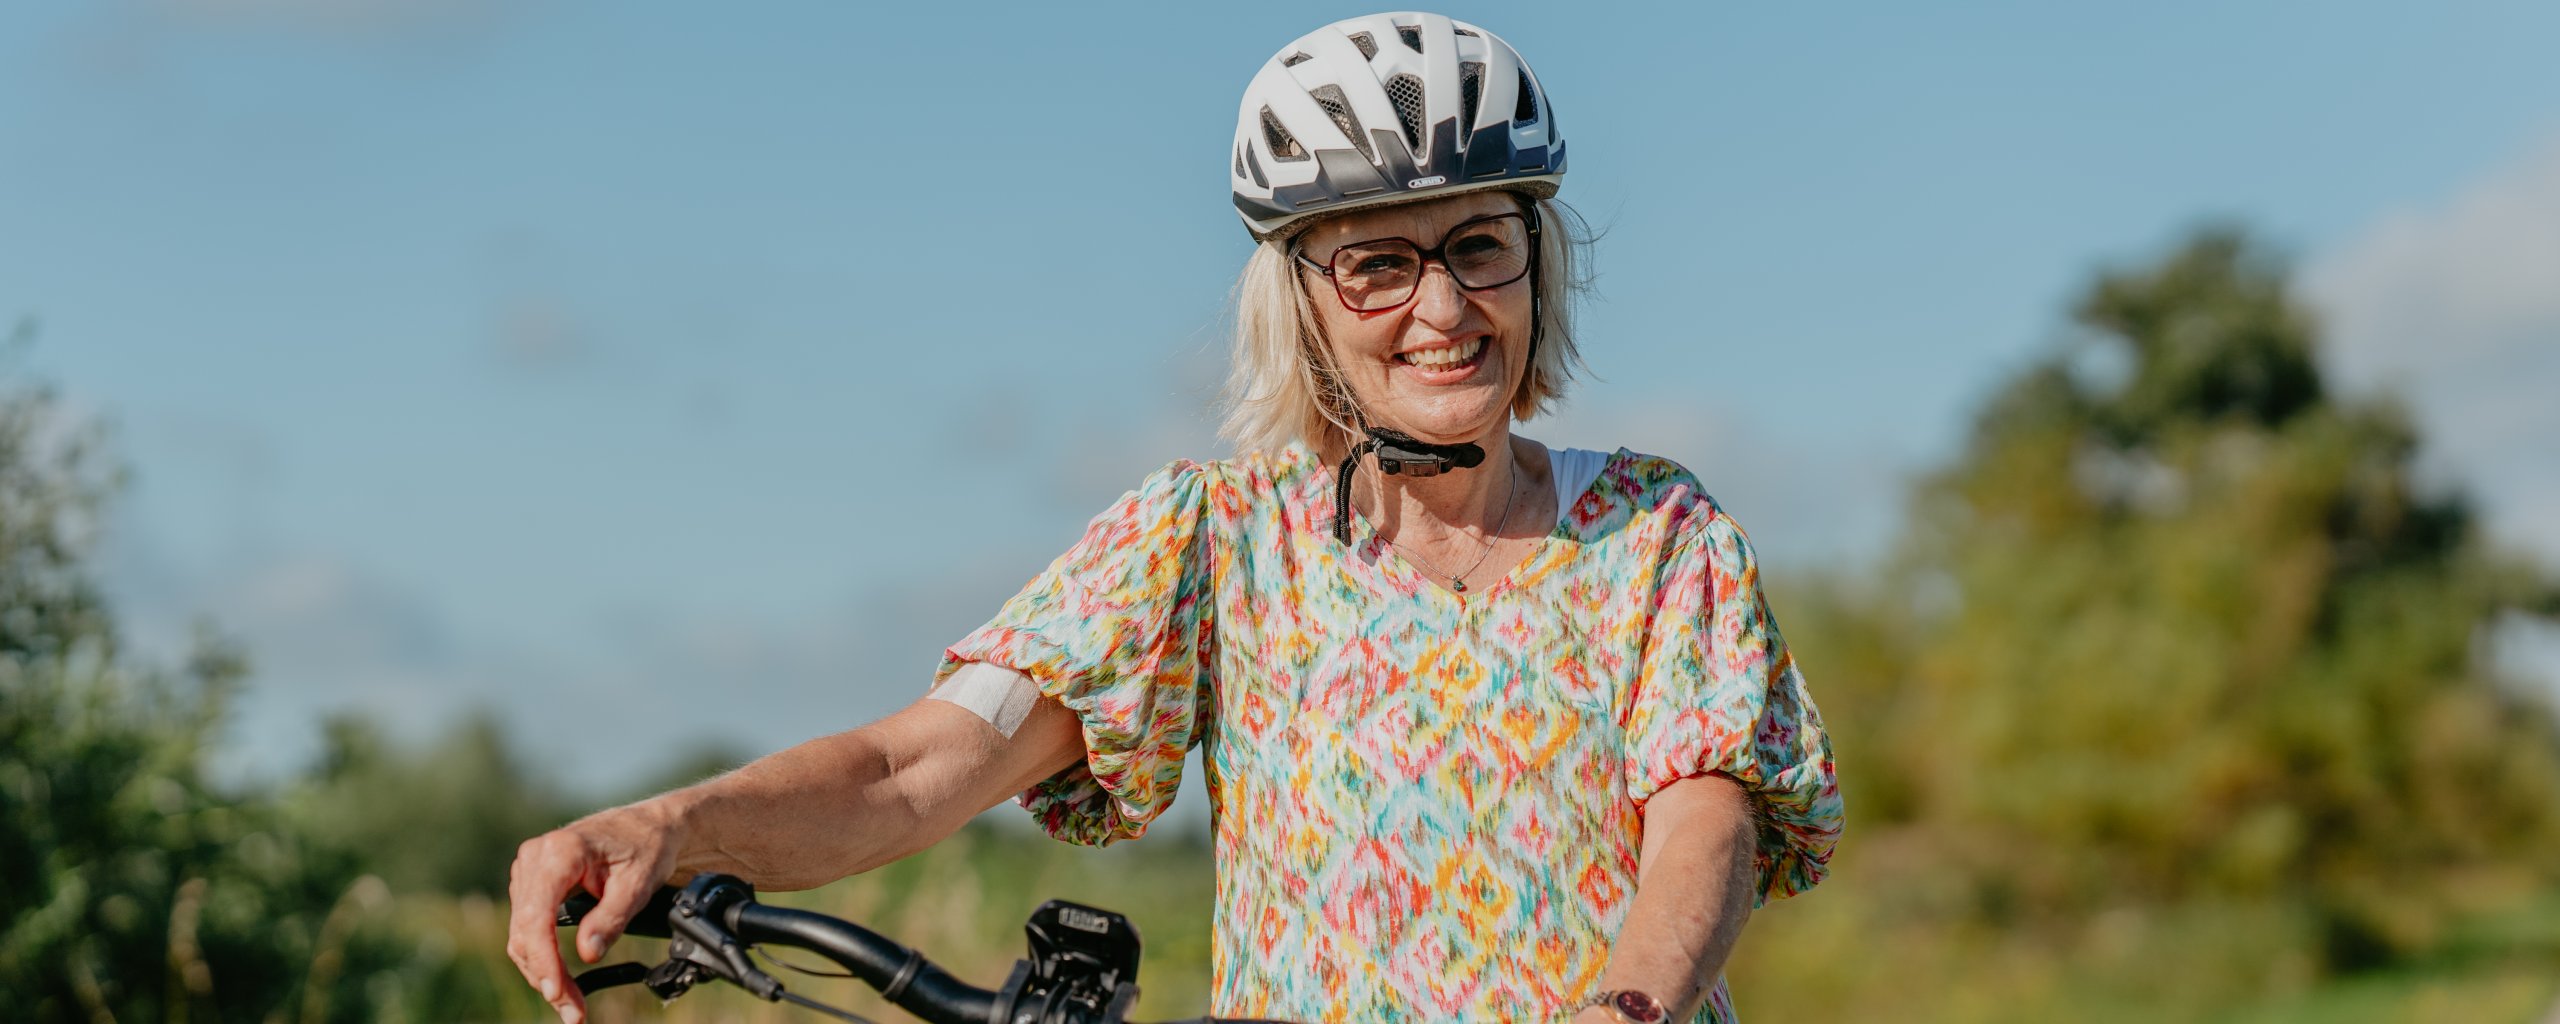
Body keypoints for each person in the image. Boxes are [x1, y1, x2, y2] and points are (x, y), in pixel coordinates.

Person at [506, 12, 1842, 1024]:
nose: (1442, 310)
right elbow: (912, 771)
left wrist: (1630, 1006)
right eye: (1378, 262)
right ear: (1306, 307)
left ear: (1534, 265)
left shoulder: (1656, 536)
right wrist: (669, 827)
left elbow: (1704, 823)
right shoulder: (1212, 544)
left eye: (1477, 246)